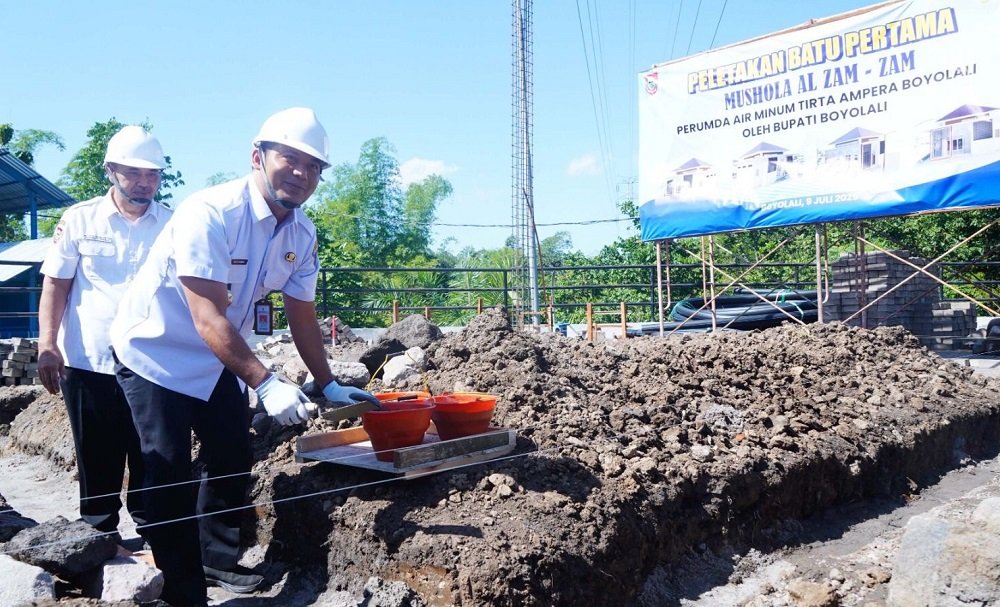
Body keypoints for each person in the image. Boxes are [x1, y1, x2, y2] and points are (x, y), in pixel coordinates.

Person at [110, 107, 379, 607]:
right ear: (258, 157)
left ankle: (217, 558)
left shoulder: (301, 234)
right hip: (157, 351)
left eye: (314, 166)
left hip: (220, 357)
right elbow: (207, 317)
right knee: (167, 468)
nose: (302, 173)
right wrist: (268, 383)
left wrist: (329, 383)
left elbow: (302, 315)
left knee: (232, 454)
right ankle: (182, 587)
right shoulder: (209, 213)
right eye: (290, 159)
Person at [36, 126, 171, 546]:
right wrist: (47, 344)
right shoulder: (79, 219)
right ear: (111, 170)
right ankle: (99, 536)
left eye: (152, 174)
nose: (144, 182)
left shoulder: (173, 223)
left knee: (153, 453)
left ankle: (155, 536)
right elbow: (55, 285)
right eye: (134, 173)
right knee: (96, 454)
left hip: (151, 362)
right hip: (88, 359)